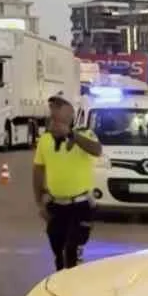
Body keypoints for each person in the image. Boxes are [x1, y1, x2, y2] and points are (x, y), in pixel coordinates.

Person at [32, 94, 103, 271]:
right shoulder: (45, 140)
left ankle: (74, 284)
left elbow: (97, 150)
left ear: (69, 116)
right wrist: (39, 202)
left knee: (70, 250)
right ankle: (62, 286)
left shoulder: (85, 133)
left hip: (81, 205)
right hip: (57, 205)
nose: (53, 119)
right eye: (52, 114)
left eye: (57, 114)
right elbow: (38, 170)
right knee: (58, 253)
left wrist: (71, 135)